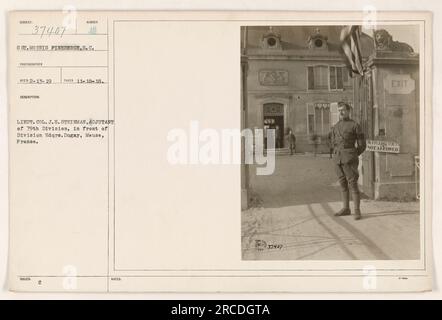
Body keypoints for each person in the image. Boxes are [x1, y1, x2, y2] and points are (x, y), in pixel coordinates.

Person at [331, 101, 366, 220]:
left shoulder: (355, 125)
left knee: (353, 184)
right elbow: (333, 142)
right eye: (339, 110)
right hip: (338, 159)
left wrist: (353, 155)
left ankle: (357, 210)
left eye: (343, 110)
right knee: (342, 184)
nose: (341, 112)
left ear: (348, 111)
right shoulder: (336, 126)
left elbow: (362, 145)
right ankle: (346, 208)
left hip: (349, 158)